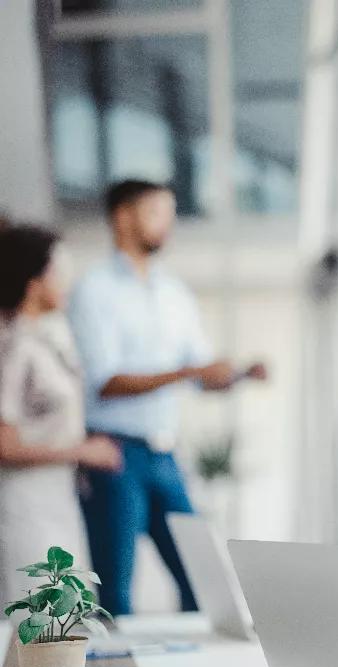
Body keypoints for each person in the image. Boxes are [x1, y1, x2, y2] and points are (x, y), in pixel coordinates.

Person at [68, 179, 267, 616]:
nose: (168, 225)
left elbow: (198, 374)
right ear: (123, 217)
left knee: (201, 579)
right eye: (157, 213)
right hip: (115, 453)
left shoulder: (174, 293)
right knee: (115, 589)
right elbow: (105, 381)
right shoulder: (94, 290)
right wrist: (191, 371)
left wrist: (236, 375)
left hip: (165, 455)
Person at [0, 225, 121, 604]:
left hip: (61, 496)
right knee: (42, 627)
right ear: (33, 282)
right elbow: (5, 446)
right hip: (26, 502)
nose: (68, 281)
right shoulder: (13, 346)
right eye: (59, 271)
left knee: (73, 619)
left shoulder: (50, 336)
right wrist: (82, 451)